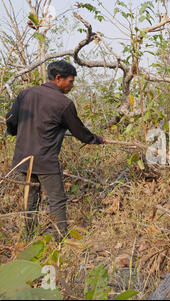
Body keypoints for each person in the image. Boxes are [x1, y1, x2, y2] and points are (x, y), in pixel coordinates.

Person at [6, 60, 105, 241]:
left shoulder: (25, 94)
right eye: (70, 81)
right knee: (57, 200)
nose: (72, 85)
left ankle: (29, 238)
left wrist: (14, 132)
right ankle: (61, 239)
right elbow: (79, 132)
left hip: (22, 159)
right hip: (45, 162)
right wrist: (97, 140)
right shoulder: (64, 104)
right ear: (58, 78)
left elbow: (11, 120)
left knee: (30, 199)